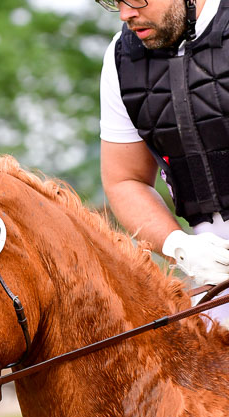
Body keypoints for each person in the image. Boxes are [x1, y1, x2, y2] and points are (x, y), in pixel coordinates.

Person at [98, 0, 229, 323]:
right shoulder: (121, 57)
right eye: (116, 1)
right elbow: (124, 180)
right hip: (212, 273)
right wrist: (180, 247)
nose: (126, 13)